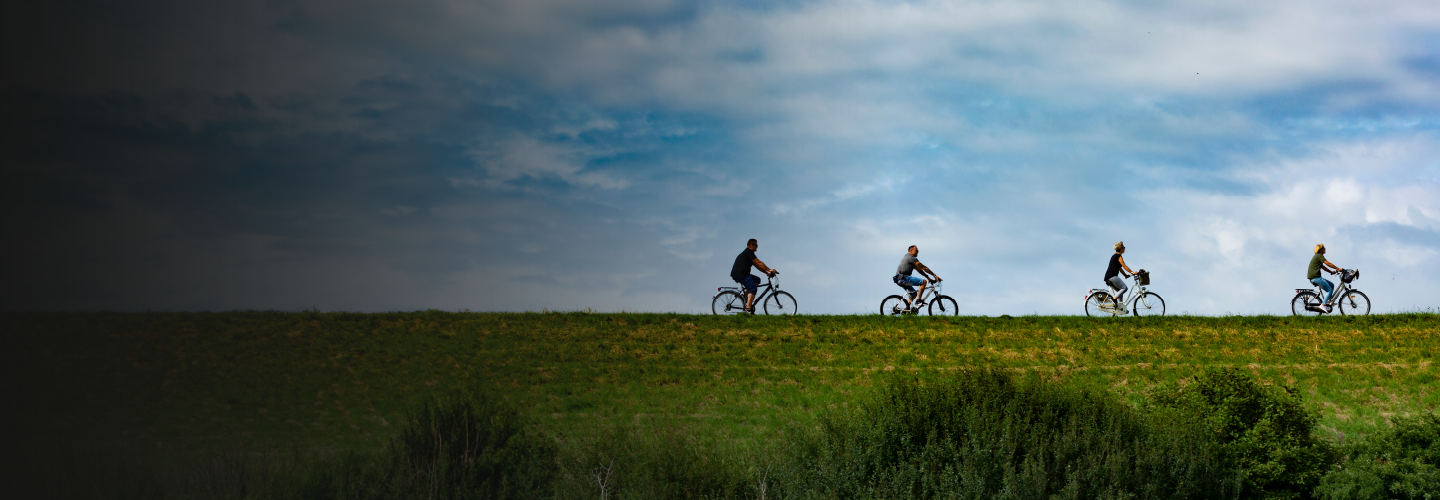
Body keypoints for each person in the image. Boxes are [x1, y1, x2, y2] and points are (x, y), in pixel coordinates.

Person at [730, 239, 777, 313]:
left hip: (741, 273)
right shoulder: (749, 252)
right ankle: (748, 309)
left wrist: (766, 273)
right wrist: (769, 269)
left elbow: (757, 266)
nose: (757, 247)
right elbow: (758, 262)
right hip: (741, 274)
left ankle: (744, 295)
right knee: (753, 288)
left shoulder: (748, 253)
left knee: (757, 280)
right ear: (751, 245)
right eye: (756, 245)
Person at [894, 245, 941, 311]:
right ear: (911, 250)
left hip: (899, 279)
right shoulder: (911, 257)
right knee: (923, 282)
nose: (918, 252)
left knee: (914, 295)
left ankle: (905, 310)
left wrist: (928, 277)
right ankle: (918, 301)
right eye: (916, 250)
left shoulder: (908, 258)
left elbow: (919, 270)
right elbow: (923, 267)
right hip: (903, 278)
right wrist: (934, 275)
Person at [1307, 244, 1342, 313]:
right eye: (1324, 248)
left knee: (1332, 285)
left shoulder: (1317, 257)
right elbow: (1328, 264)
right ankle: (1323, 305)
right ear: (1321, 249)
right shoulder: (1319, 256)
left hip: (1314, 277)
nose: (1325, 249)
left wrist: (1330, 271)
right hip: (1316, 278)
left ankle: (1328, 303)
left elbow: (1323, 267)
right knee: (1329, 290)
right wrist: (1338, 268)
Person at [1105, 242, 1138, 309]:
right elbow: (1124, 266)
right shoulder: (1119, 256)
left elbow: (1120, 268)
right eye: (1124, 247)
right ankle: (1114, 299)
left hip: (1108, 277)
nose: (1124, 248)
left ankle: (1120, 307)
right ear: (1121, 248)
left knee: (1120, 291)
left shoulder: (1114, 256)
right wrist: (1132, 272)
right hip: (1112, 276)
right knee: (1124, 288)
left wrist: (1125, 275)